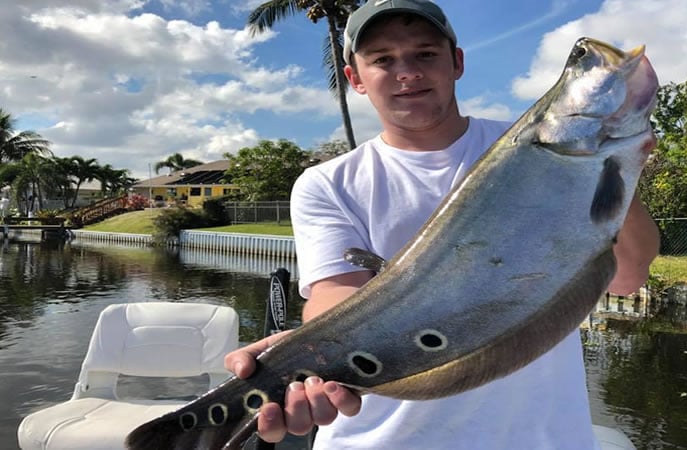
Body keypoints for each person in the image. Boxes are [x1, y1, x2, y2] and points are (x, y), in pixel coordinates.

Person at [225, 0, 661, 448]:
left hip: (539, 436)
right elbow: (332, 290)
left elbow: (627, 276)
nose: (407, 72)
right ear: (355, 78)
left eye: (425, 54)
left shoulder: (531, 145)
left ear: (457, 63)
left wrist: (608, 165)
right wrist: (313, 350)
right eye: (383, 60)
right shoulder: (327, 183)